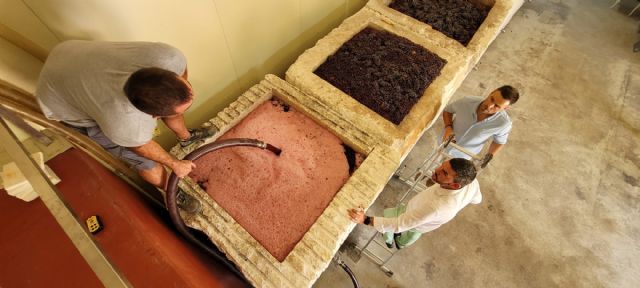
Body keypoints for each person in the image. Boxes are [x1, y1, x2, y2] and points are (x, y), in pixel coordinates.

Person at [36, 40, 214, 189]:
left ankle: (186, 138)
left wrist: (183, 125)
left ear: (170, 75)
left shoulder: (169, 58)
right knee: (143, 161)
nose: (193, 94)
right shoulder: (125, 125)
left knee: (173, 103)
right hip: (57, 99)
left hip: (68, 52)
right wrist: (175, 164)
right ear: (154, 117)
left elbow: (177, 96)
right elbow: (141, 148)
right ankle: (171, 191)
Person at [348, 158, 480, 249]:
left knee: (402, 233)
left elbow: (399, 224)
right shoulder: (472, 183)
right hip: (416, 209)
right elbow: (477, 199)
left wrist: (364, 220)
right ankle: (393, 238)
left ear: (456, 185)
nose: (436, 170)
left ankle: (396, 241)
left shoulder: (437, 207)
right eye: (442, 165)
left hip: (418, 224)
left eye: (444, 173)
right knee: (399, 218)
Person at [442, 85, 519, 167]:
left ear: (505, 108)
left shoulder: (503, 124)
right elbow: (448, 110)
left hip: (463, 156)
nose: (489, 105)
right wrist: (448, 127)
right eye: (492, 99)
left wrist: (489, 155)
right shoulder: (466, 101)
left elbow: (499, 142)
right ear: (492, 92)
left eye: (496, 106)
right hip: (442, 144)